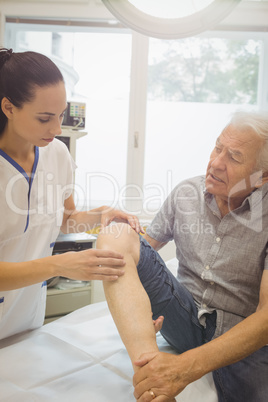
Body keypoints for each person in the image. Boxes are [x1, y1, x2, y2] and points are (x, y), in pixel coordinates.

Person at [97, 111, 268, 402]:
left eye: (234, 158)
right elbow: (136, 253)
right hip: (182, 315)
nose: (215, 163)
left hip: (240, 334)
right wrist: (133, 309)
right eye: (217, 147)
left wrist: (184, 368)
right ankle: (155, 387)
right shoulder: (186, 193)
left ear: (262, 178)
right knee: (116, 234)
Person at [0, 48, 145, 341]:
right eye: (44, 118)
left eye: (61, 115)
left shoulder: (57, 154)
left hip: (26, 320)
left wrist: (98, 215)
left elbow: (64, 219)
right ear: (9, 108)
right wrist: (59, 265)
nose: (57, 128)